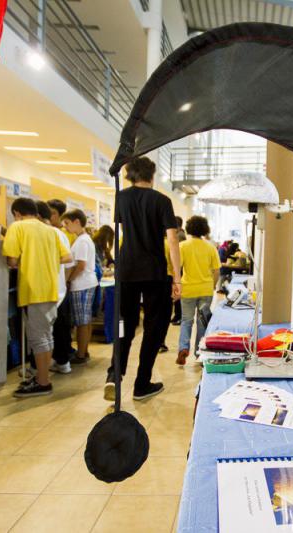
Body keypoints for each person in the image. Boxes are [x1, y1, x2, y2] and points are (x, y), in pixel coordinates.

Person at [107, 156, 181, 402]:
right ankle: (141, 383)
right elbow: (172, 240)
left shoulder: (121, 198)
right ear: (152, 175)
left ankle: (114, 374)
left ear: (130, 174)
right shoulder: (161, 200)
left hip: (127, 271)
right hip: (154, 272)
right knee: (154, 327)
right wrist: (177, 277)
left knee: (123, 323)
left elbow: (120, 231)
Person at [3, 198, 71, 398]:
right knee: (46, 336)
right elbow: (66, 257)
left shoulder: (17, 227)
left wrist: (28, 261)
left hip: (33, 289)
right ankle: (42, 377)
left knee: (38, 339)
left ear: (17, 213)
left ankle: (43, 382)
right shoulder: (51, 231)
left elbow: (12, 260)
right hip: (51, 289)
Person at [36, 200, 74, 374]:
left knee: (45, 333)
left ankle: (41, 371)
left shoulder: (48, 233)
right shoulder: (59, 234)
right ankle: (61, 362)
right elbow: (68, 262)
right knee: (59, 330)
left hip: (46, 290)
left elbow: (69, 261)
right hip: (59, 289)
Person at [176, 215, 220, 365]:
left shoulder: (183, 246)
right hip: (205, 290)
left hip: (188, 289)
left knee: (186, 321)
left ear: (188, 228)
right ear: (205, 229)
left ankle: (183, 348)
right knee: (202, 322)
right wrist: (213, 286)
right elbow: (216, 271)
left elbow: (178, 268)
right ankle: (199, 353)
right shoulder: (210, 247)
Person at [61, 209, 99, 365]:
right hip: (86, 283)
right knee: (85, 320)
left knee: (81, 322)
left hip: (81, 285)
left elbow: (81, 265)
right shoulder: (83, 239)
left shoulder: (82, 241)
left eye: (67, 223)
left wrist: (68, 280)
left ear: (77, 222)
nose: (65, 227)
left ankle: (81, 354)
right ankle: (84, 351)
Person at [46, 198, 76, 364]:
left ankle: (62, 358)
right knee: (59, 326)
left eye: (52, 213)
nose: (49, 216)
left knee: (60, 326)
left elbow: (69, 262)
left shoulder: (63, 235)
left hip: (59, 287)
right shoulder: (55, 233)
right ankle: (62, 358)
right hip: (59, 286)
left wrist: (65, 281)